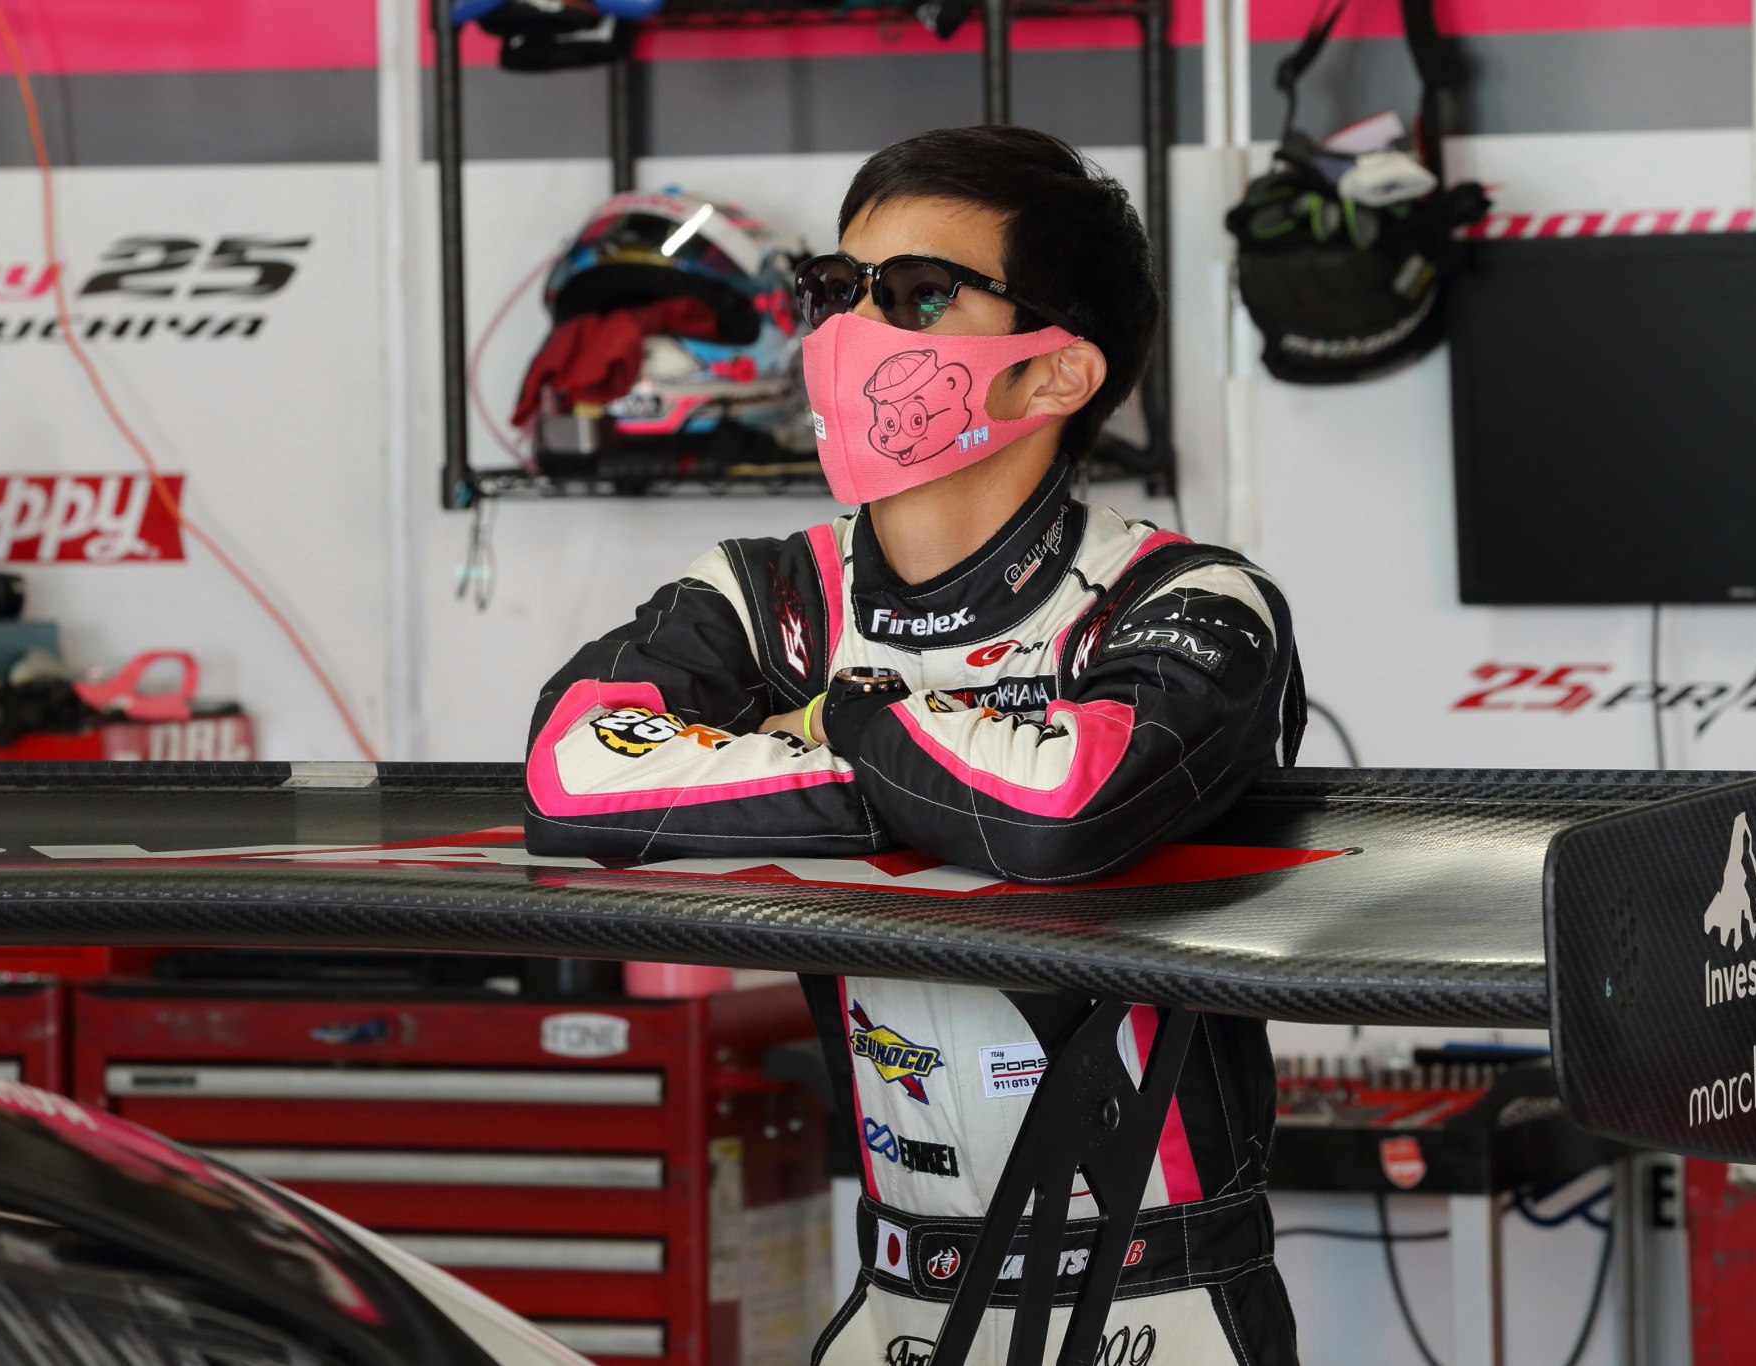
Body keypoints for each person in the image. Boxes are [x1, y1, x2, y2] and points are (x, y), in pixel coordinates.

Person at [525, 126, 1305, 1365]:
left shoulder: (1184, 598)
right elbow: (572, 776)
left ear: (1053, 373)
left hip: (1156, 1301)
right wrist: (916, 781)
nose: (848, 329)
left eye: (916, 293)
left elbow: (1058, 811)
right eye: (835, 287)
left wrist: (832, 717)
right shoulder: (769, 592)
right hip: (893, 1298)